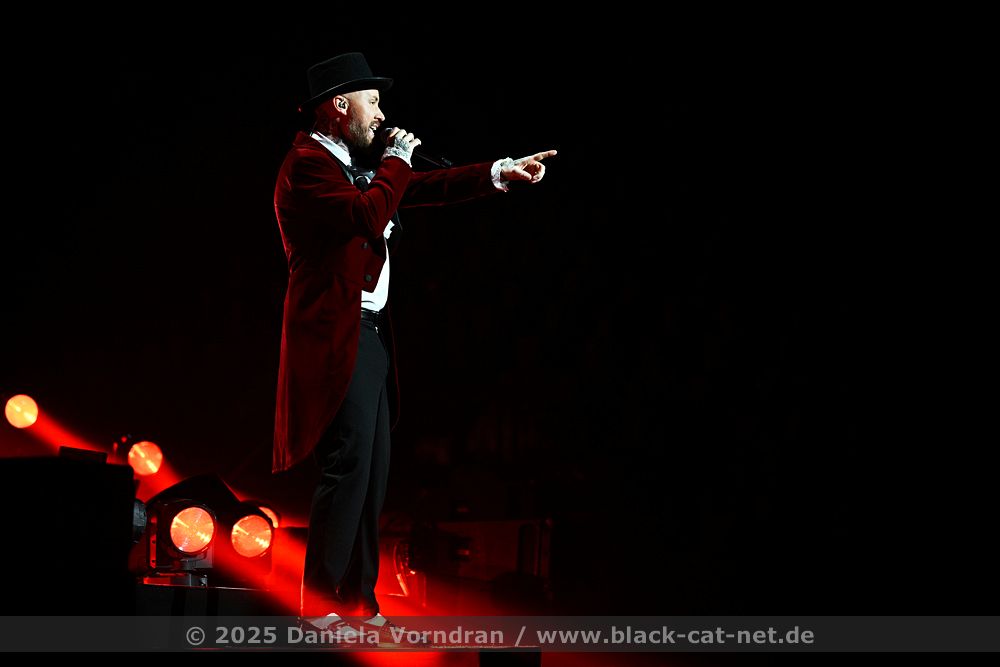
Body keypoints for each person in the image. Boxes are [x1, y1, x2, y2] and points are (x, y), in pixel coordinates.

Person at [271, 52, 555, 638]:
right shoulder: (306, 166)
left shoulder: (352, 165)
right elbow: (367, 213)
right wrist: (397, 159)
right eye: (373, 102)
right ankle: (317, 607)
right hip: (336, 337)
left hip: (370, 334)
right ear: (340, 105)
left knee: (372, 473)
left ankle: (359, 605)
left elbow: (417, 188)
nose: (382, 114)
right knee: (347, 467)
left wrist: (500, 171)